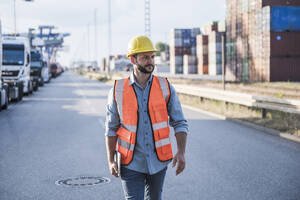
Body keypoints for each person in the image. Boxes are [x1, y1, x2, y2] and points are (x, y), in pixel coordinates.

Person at [105, 35, 188, 200]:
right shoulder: (118, 90)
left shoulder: (165, 86)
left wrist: (181, 152)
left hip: (158, 162)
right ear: (132, 59)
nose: (150, 61)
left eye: (152, 57)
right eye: (144, 57)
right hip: (130, 163)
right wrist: (111, 160)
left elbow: (180, 122)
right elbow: (111, 128)